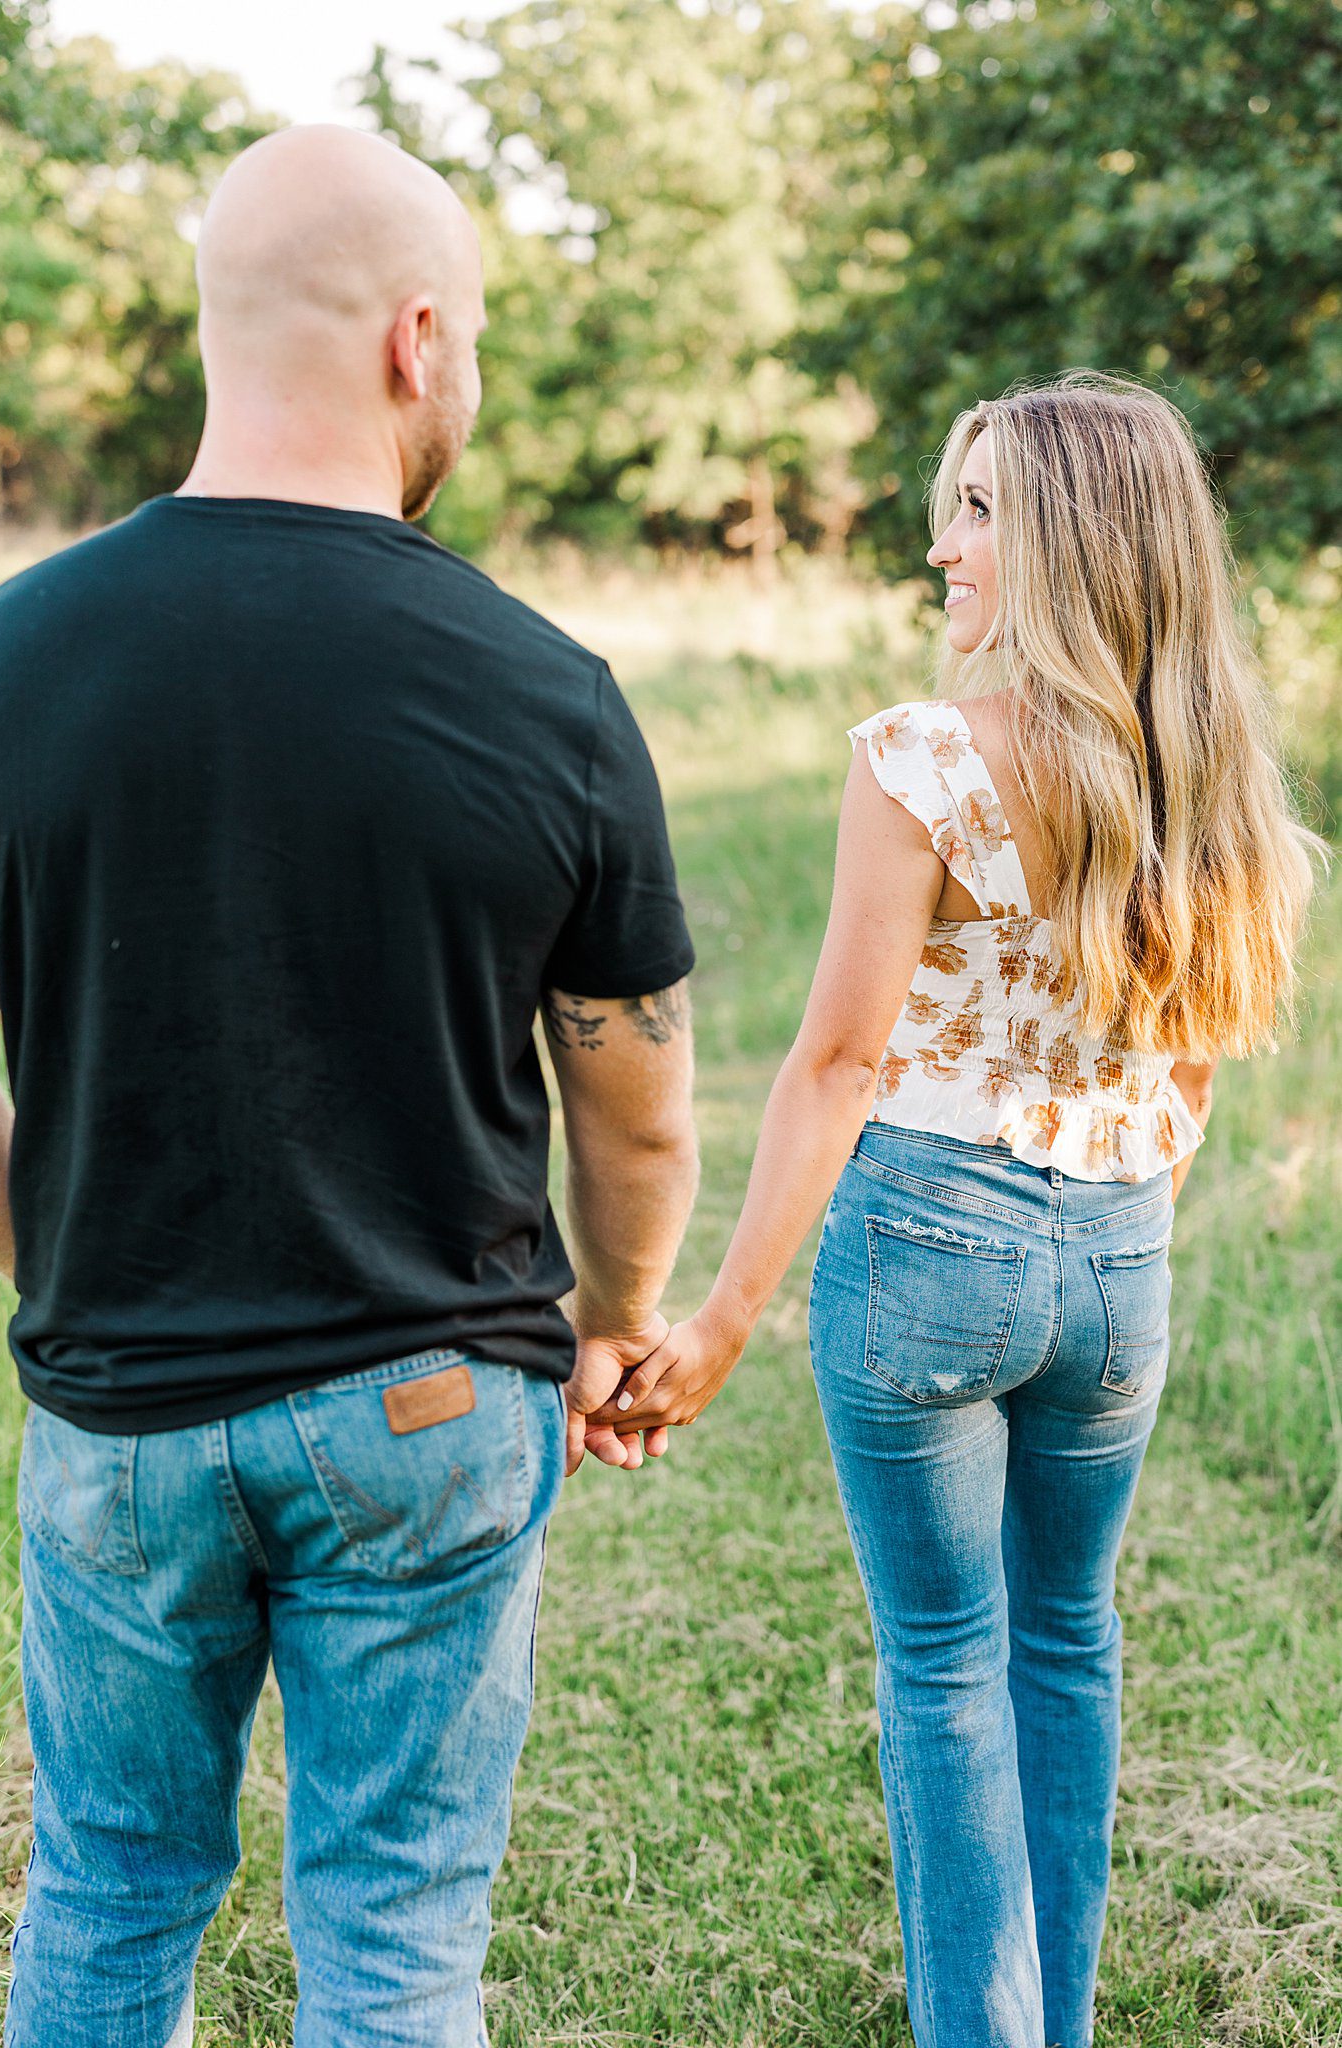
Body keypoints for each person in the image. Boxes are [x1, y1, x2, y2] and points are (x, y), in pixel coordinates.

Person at [0, 124, 697, 2047]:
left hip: (116, 1406)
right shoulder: (545, 687)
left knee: (114, 1883)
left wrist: (51, 1228)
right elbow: (631, 1099)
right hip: (435, 1393)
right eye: (464, 347)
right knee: (393, 1938)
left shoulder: (4, 662)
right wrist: (619, 1321)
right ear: (414, 341)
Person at [591, 373, 1323, 2046]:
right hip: (1118, 1244)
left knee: (943, 1667)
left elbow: (839, 1060)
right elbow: (1192, 1069)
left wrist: (717, 1320)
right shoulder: (1211, 777)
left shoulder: (922, 758)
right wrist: (1106, 1224)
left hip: (926, 1241)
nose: (942, 545)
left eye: (980, 509)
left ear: (1071, 540)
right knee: (1065, 1642)